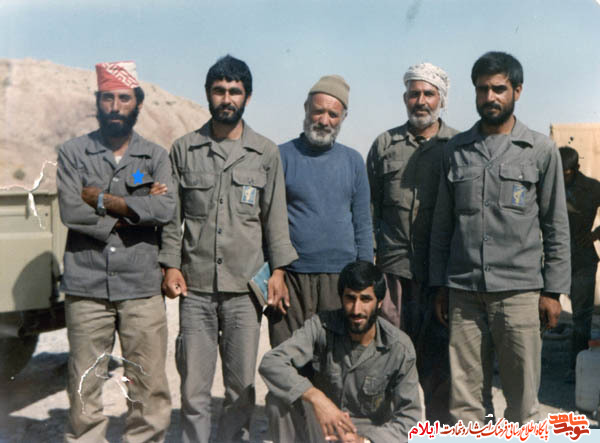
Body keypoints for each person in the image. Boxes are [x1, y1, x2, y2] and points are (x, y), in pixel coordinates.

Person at [159, 55, 298, 443]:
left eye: (235, 91)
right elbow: (172, 218)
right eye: (219, 90)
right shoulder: (184, 150)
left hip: (244, 292)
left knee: (240, 391)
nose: (226, 98)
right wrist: (170, 265)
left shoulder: (265, 153)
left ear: (247, 97)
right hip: (197, 290)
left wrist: (279, 272)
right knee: (193, 391)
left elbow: (275, 220)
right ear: (208, 94)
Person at [429, 51, 570, 425]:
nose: (489, 97)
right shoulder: (456, 150)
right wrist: (440, 286)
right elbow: (443, 226)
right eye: (482, 89)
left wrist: (553, 291)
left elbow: (556, 226)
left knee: (523, 404)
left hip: (519, 294)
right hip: (464, 293)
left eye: (499, 89)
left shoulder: (540, 150)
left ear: (517, 91)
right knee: (465, 405)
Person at [56, 61, 175, 442]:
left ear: (137, 102)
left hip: (141, 286)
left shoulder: (154, 157)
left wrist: (105, 201)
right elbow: (72, 210)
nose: (115, 106)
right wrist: (136, 210)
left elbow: (165, 208)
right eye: (107, 98)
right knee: (84, 385)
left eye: (124, 98)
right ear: (97, 101)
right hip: (87, 286)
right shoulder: (73, 153)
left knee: (148, 385)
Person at [366, 62, 458, 423]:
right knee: (387, 364)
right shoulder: (384, 145)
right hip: (393, 276)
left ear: (442, 99)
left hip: (439, 278)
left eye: (429, 94)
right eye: (414, 93)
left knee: (440, 372)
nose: (421, 101)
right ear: (405, 98)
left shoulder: (458, 146)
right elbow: (369, 208)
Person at [260, 261, 422, 443]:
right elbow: (271, 362)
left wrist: (364, 441)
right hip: (322, 427)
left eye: (365, 299)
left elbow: (411, 419)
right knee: (278, 400)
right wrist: (317, 398)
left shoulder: (399, 347)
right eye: (350, 298)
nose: (356, 309)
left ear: (379, 303)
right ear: (341, 298)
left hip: (367, 435)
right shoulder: (320, 326)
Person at [268, 75, 374, 347]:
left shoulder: (353, 161)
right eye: (318, 111)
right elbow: (269, 220)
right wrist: (276, 273)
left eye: (333, 114)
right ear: (306, 108)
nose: (324, 120)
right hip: (292, 277)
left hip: (340, 278)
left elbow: (363, 224)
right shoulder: (280, 156)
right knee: (288, 356)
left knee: (336, 358)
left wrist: (364, 278)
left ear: (343, 117)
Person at [559, 146, 600, 371]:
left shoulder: (593, 188)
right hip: (553, 257)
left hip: (582, 258)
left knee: (581, 317)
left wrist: (595, 234)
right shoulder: (549, 183)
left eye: (566, 173)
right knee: (540, 312)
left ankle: (577, 368)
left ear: (577, 168)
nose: (563, 177)